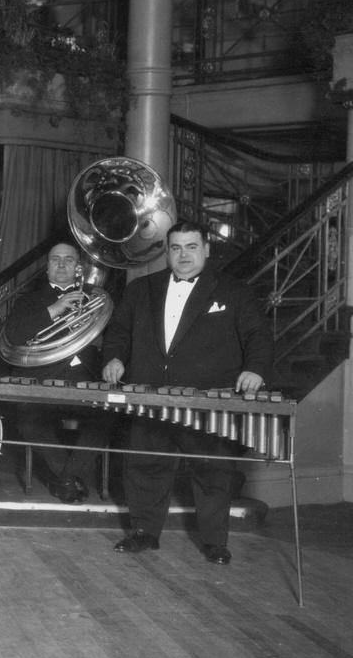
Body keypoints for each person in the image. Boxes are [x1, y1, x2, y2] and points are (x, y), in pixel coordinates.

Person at [101, 222, 273, 565]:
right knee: (144, 466)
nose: (183, 255)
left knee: (212, 473)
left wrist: (255, 369)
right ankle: (144, 533)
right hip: (149, 397)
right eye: (176, 248)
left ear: (207, 249)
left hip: (207, 401)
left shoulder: (234, 291)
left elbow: (258, 335)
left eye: (191, 247)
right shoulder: (140, 289)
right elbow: (118, 331)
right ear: (167, 251)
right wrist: (114, 358)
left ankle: (214, 542)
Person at [2, 241, 114, 504]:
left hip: (86, 376)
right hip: (44, 377)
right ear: (47, 266)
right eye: (55, 259)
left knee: (106, 419)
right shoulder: (29, 299)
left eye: (68, 260)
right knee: (28, 419)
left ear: (78, 268)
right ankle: (71, 480)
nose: (61, 264)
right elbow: (14, 335)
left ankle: (66, 479)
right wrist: (56, 308)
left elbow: (113, 337)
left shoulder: (96, 297)